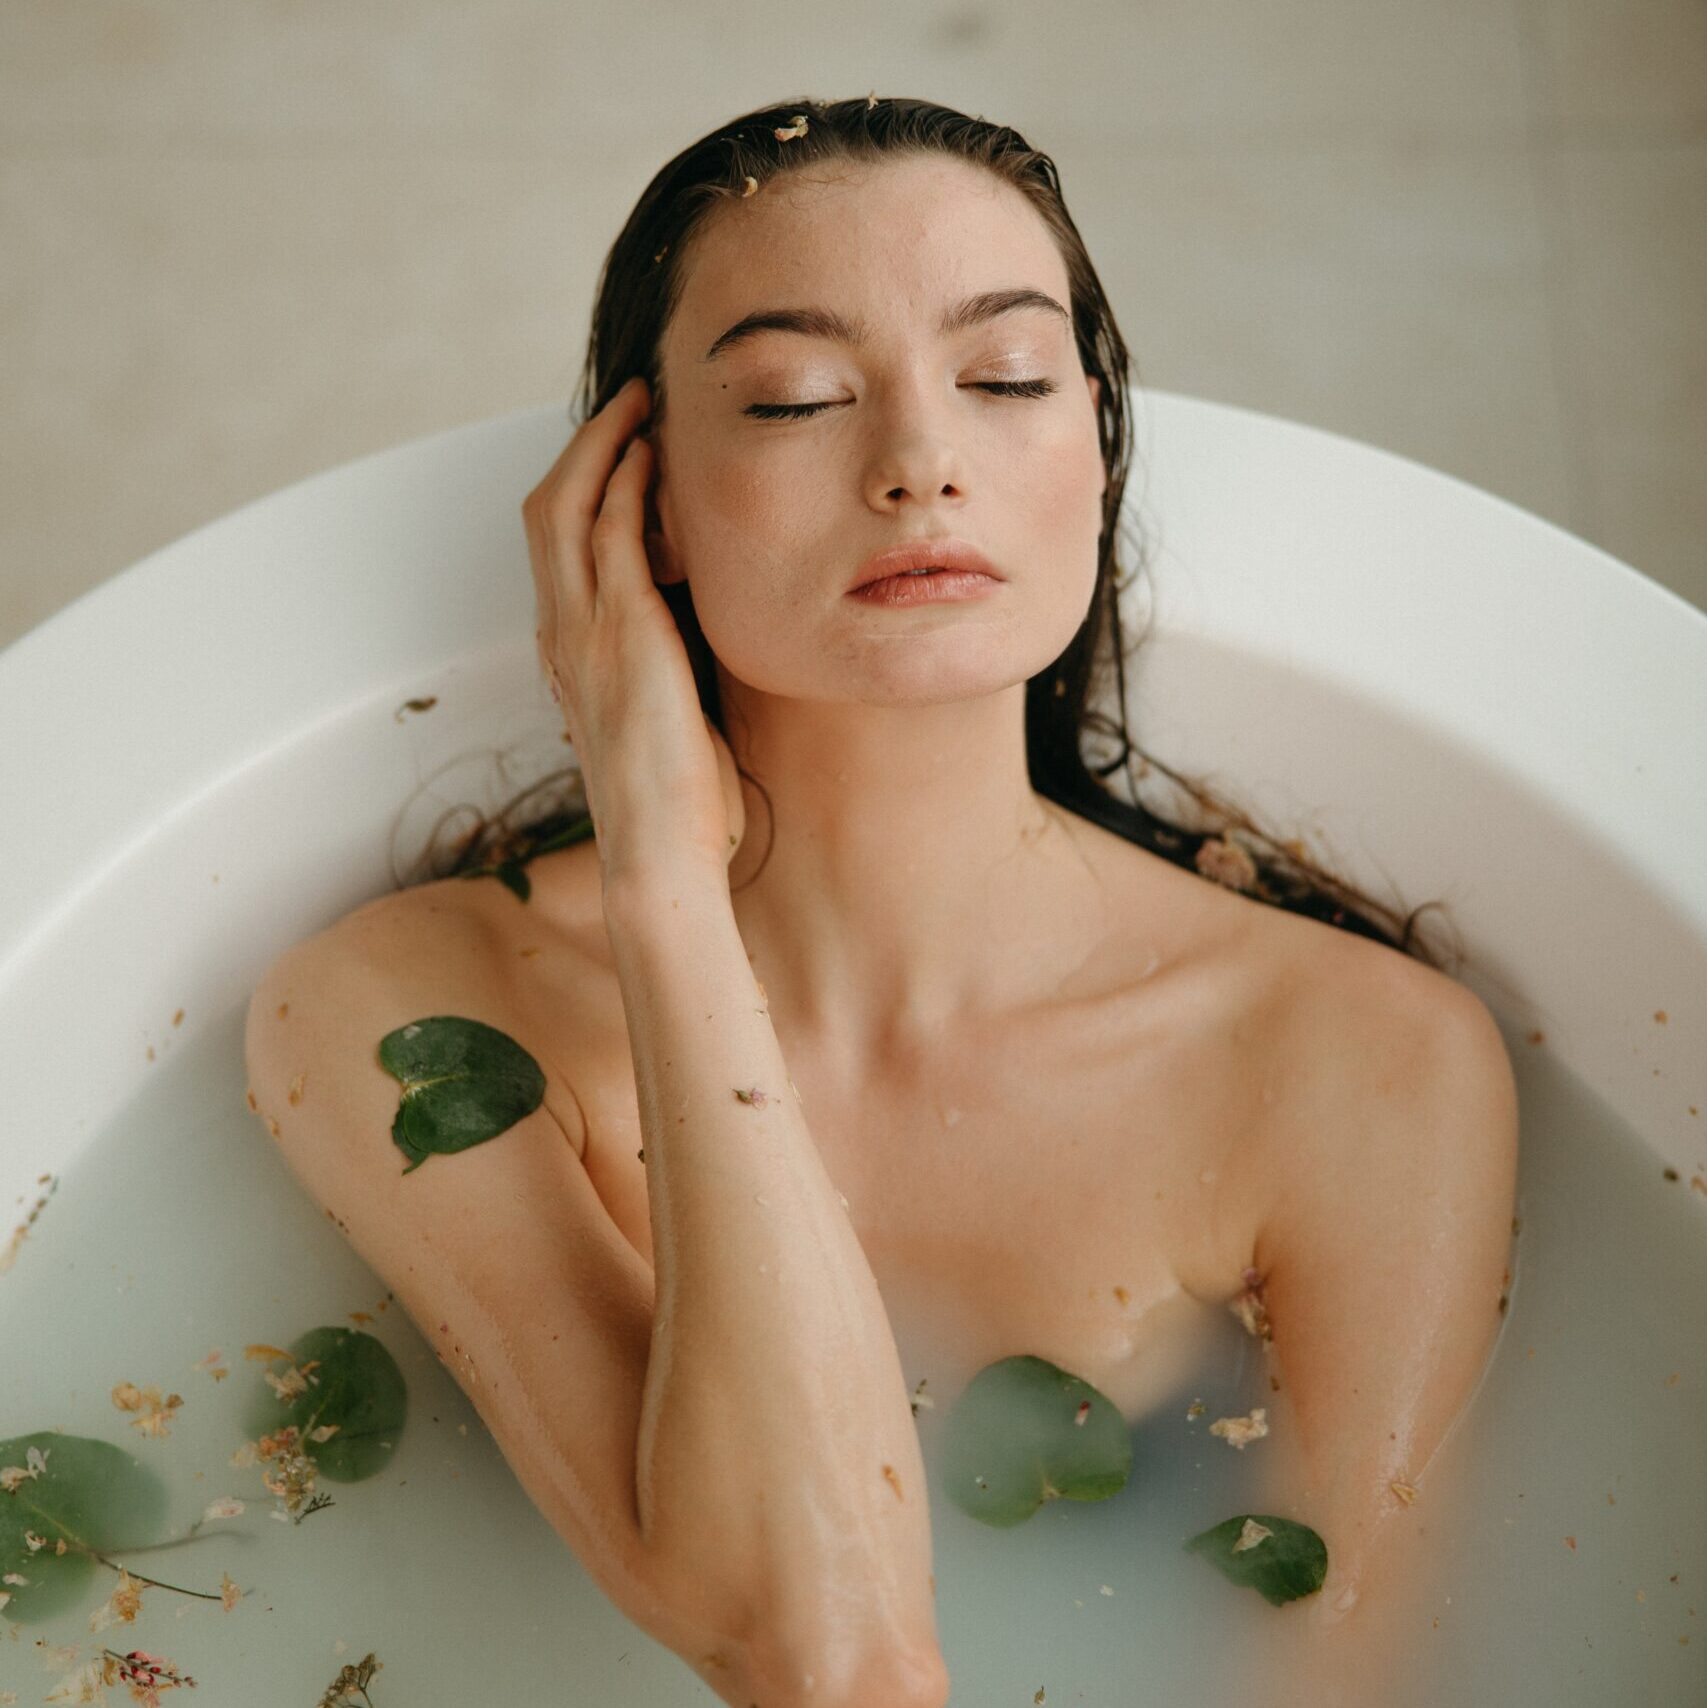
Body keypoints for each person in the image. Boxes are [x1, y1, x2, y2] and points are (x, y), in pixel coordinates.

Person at [245, 97, 1519, 1708]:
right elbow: (815, 1650)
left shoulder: (1365, 1056)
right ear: (644, 512)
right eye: (794, 400)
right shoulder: (405, 1014)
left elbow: (1347, 1665)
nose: (923, 461)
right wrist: (662, 885)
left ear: (1099, 458)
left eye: (1004, 379)